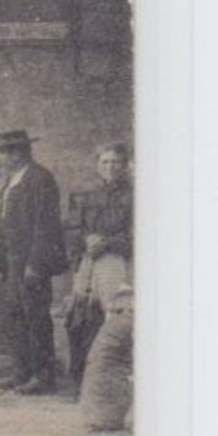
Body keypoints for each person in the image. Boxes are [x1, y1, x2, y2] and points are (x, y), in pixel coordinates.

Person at [0, 129, 67, 395]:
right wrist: (1, 263)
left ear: (24, 152)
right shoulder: (10, 181)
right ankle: (21, 372)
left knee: (36, 317)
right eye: (4, 152)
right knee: (15, 317)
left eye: (12, 151)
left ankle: (43, 376)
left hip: (31, 260)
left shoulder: (39, 179)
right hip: (12, 261)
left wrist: (35, 264)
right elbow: (4, 224)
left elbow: (46, 226)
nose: (6, 157)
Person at [64, 142, 133, 393]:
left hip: (117, 261)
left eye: (115, 162)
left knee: (115, 319)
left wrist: (108, 243)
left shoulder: (133, 195)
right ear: (97, 166)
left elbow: (138, 233)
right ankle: (81, 379)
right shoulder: (88, 194)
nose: (110, 167)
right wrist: (86, 240)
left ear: (125, 165)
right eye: (105, 162)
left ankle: (111, 383)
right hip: (88, 260)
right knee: (80, 316)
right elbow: (73, 227)